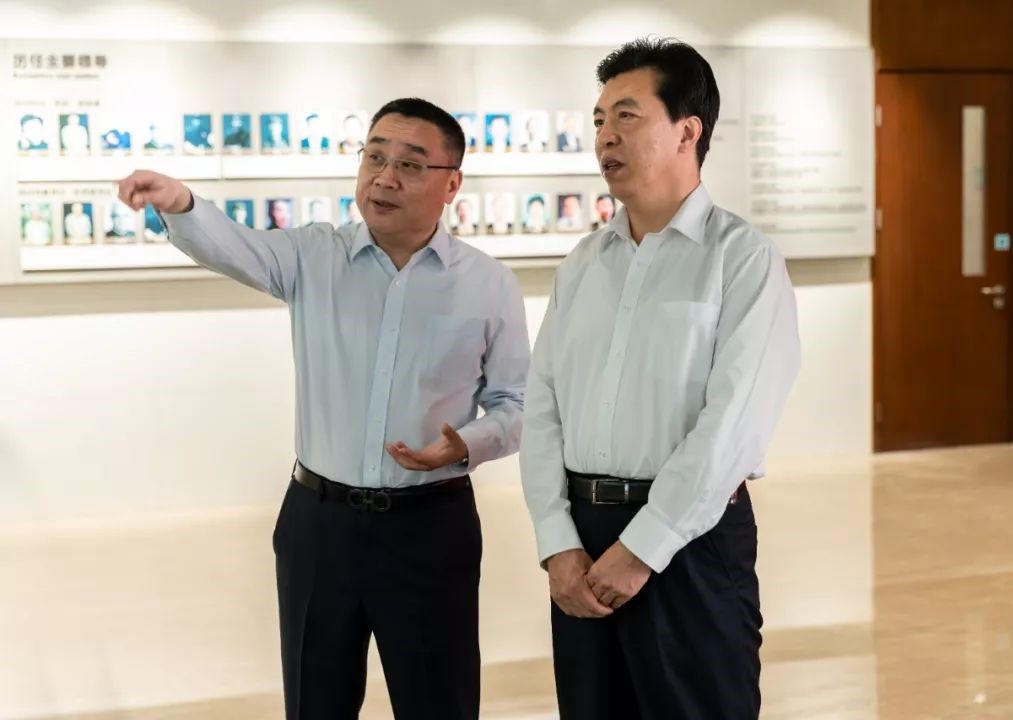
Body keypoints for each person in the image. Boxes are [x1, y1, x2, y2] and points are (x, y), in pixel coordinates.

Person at [117, 96, 529, 720]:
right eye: (374, 157)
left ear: (452, 184)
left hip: (429, 527)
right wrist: (181, 203)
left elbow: (514, 402)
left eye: (410, 165)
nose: (385, 178)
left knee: (438, 700)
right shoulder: (313, 256)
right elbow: (237, 246)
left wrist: (466, 444)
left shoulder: (488, 284)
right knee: (316, 701)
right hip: (319, 525)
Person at [520, 38, 801, 720]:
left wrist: (644, 548)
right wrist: (557, 541)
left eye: (626, 115)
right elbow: (542, 407)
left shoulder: (742, 260)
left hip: (691, 544)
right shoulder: (583, 263)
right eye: (598, 120)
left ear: (687, 130)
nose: (604, 137)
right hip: (583, 543)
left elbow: (732, 426)